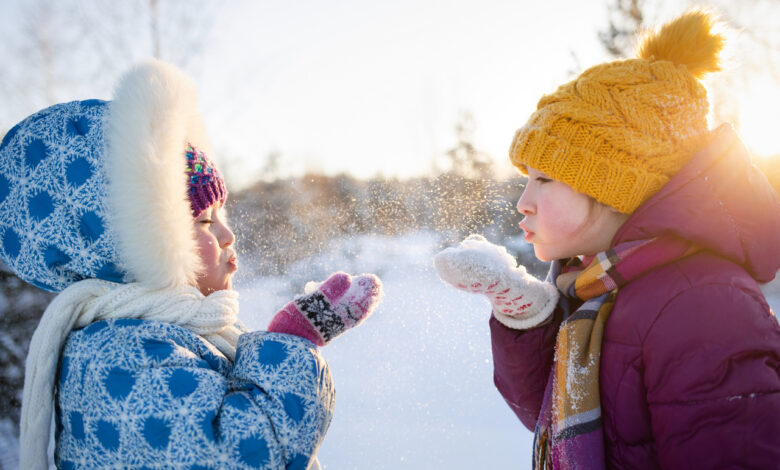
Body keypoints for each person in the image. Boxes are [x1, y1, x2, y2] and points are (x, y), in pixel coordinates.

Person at [435, 10, 780, 469]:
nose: (523, 201)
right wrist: (526, 315)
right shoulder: (599, 286)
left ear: (614, 184)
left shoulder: (701, 304)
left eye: (545, 179)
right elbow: (549, 417)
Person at [0, 59, 382, 469]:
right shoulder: (119, 355)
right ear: (133, 246)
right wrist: (294, 341)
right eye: (202, 219)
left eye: (221, 213)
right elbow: (240, 457)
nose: (227, 234)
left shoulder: (161, 334)